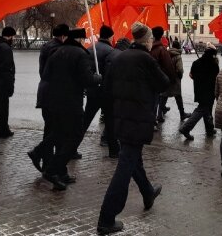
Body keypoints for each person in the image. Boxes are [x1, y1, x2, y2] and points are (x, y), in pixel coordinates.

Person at [97, 23, 169, 235]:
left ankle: (147, 192)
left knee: (133, 159)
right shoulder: (146, 59)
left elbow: (107, 89)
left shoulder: (119, 57)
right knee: (125, 167)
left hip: (121, 119)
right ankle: (106, 218)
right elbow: (164, 83)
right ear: (146, 40)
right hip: (138, 120)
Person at [41, 28, 101, 190]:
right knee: (74, 136)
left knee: (61, 135)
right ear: (80, 39)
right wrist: (97, 77)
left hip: (54, 101)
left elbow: (47, 75)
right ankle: (53, 169)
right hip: (71, 102)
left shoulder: (57, 52)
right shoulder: (80, 54)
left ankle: (59, 172)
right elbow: (87, 79)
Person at [27, 24, 69, 173]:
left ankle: (47, 164)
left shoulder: (46, 47)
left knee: (50, 128)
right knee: (58, 130)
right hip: (55, 95)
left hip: (45, 92)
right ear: (64, 36)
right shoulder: (58, 50)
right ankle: (49, 164)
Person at [80, 25, 115, 154]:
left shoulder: (90, 49)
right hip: (105, 92)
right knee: (110, 122)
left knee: (85, 121)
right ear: (110, 36)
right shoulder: (110, 51)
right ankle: (113, 150)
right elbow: (110, 73)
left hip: (92, 90)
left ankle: (72, 147)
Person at [179, 44, 220, 140]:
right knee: (202, 109)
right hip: (209, 91)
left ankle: (209, 129)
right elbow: (217, 79)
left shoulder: (196, 62)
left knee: (207, 109)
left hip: (199, 90)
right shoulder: (214, 65)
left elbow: (191, 75)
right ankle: (186, 128)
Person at [150, 27, 176, 125]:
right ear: (161, 36)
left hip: (148, 80)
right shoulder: (162, 49)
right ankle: (152, 122)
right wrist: (172, 79)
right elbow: (169, 66)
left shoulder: (148, 47)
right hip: (157, 80)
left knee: (149, 101)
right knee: (155, 102)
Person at [165, 40, 190, 122]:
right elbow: (180, 69)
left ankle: (159, 113)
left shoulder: (167, 54)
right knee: (178, 96)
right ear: (179, 46)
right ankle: (182, 114)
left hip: (167, 77)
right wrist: (180, 77)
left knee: (164, 95)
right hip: (175, 79)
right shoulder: (178, 56)